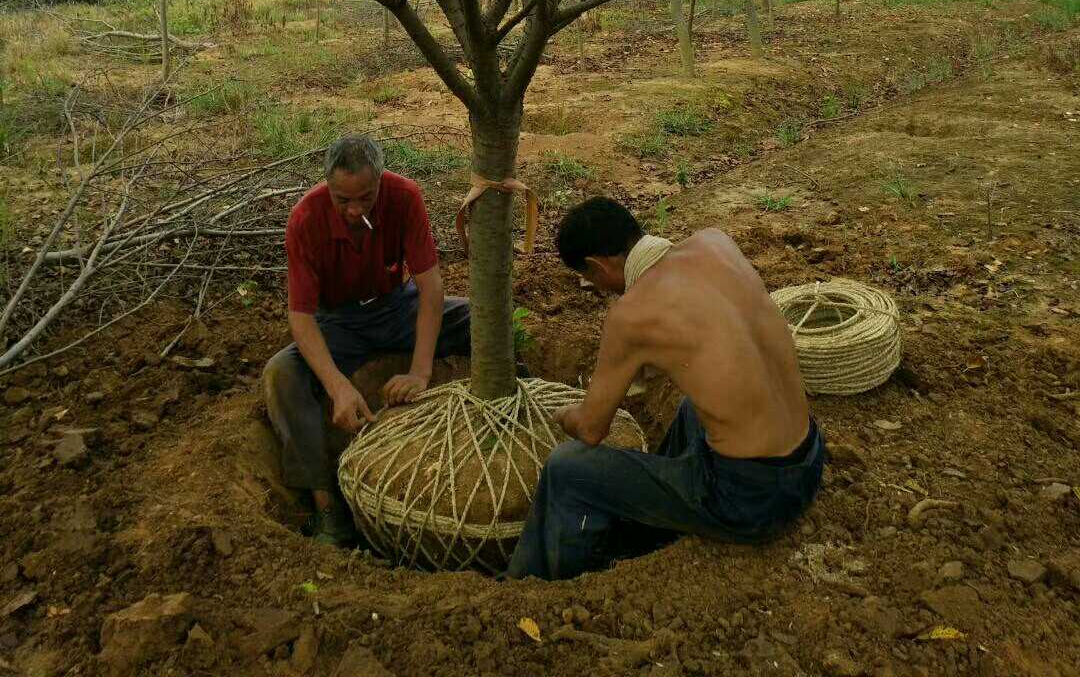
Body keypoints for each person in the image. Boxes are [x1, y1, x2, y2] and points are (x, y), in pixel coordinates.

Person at [506, 197, 823, 580]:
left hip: (750, 501)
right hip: (808, 462)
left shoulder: (632, 316)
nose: (597, 288)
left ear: (597, 265)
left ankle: (534, 583)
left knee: (567, 468)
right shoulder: (715, 241)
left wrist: (561, 414)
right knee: (693, 407)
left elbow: (591, 430)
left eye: (590, 279)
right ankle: (654, 524)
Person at [264, 134, 470, 546]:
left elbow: (431, 288)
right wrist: (338, 385)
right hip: (337, 323)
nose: (355, 210)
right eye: (343, 200)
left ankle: (515, 409)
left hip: (398, 307)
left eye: (366, 198)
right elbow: (301, 318)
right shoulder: (305, 218)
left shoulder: (405, 196)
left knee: (481, 317)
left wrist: (420, 371)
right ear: (327, 186)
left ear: (380, 181)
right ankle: (328, 510)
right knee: (282, 373)